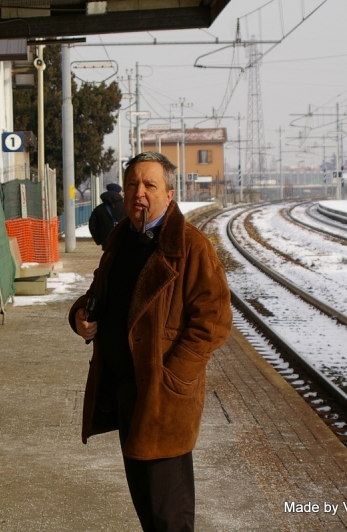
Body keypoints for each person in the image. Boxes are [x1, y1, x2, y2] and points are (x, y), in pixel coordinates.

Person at [69, 151, 232, 532]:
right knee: (145, 503)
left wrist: (174, 376)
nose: (138, 193)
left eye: (149, 185)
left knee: (168, 514)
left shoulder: (190, 246)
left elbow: (214, 320)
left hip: (162, 397)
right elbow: (99, 292)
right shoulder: (121, 237)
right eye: (131, 185)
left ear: (169, 194)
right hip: (125, 389)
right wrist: (80, 315)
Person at [88, 182, 126, 250]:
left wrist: (99, 240)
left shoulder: (98, 209)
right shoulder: (126, 207)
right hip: (125, 242)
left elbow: (92, 226)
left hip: (107, 242)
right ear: (118, 193)